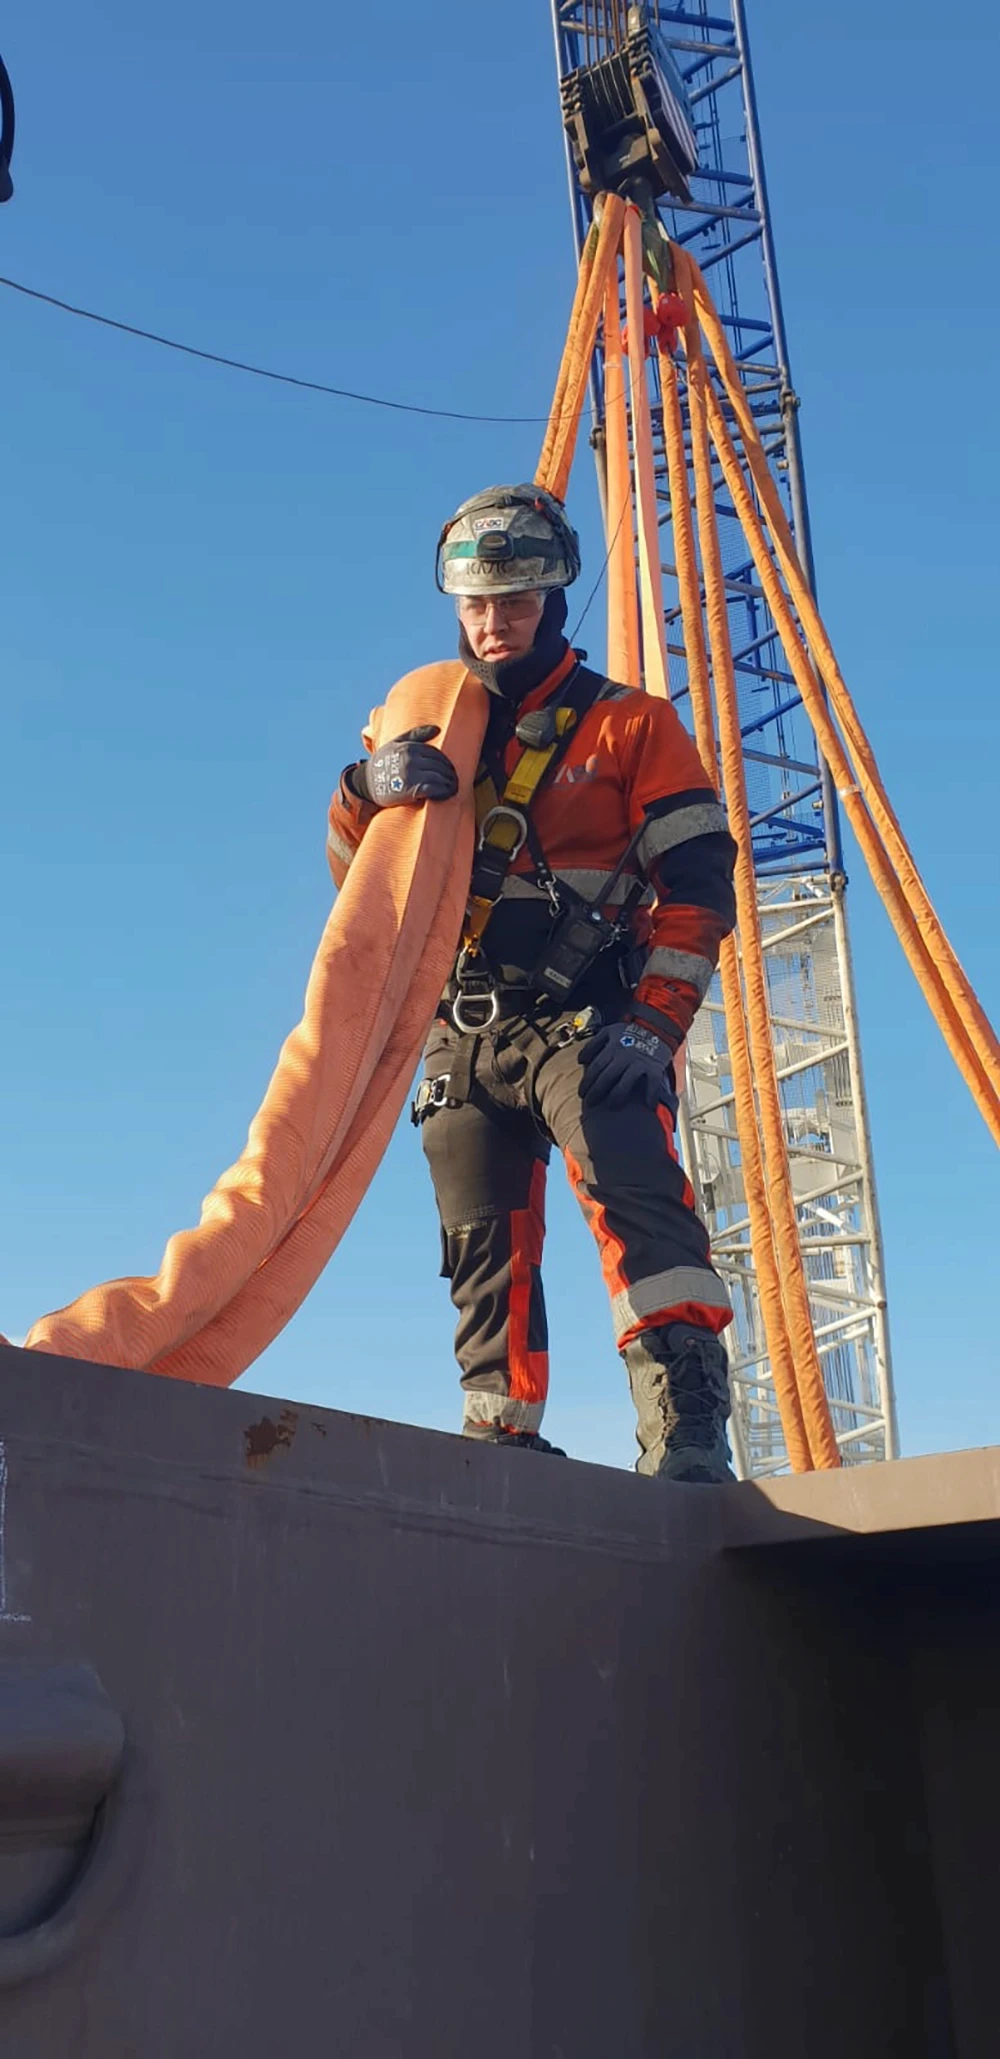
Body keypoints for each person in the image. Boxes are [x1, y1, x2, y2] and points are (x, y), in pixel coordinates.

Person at [328, 485, 738, 1483]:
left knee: (638, 1201)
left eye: (511, 600)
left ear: (554, 596)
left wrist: (653, 1026)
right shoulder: (424, 725)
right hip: (462, 1030)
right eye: (474, 603)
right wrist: (361, 790)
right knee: (479, 1246)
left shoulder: (631, 728)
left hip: (592, 1022)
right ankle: (499, 1436)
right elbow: (363, 881)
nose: (490, 621)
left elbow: (698, 886)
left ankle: (685, 1431)